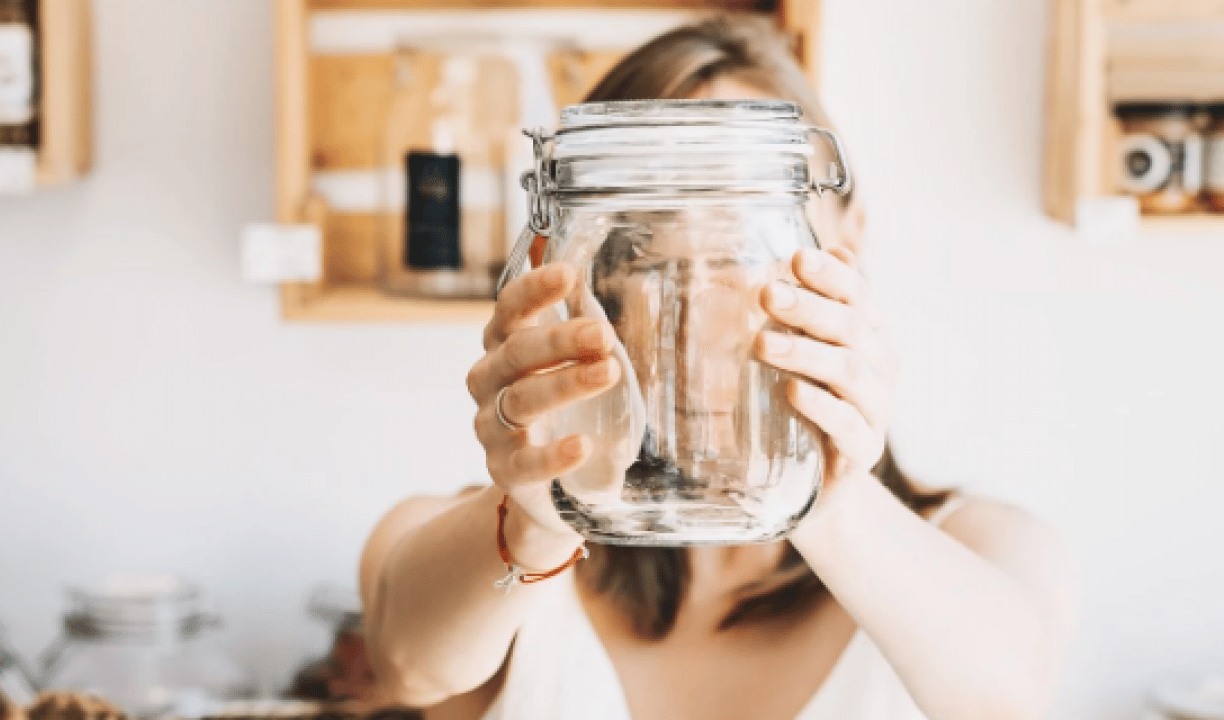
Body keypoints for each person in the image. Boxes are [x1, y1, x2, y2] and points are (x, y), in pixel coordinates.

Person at [359, 17, 1078, 720]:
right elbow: (410, 665)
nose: (701, 322)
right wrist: (535, 521)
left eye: (746, 263)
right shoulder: (493, 543)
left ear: (846, 244)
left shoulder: (990, 548)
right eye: (649, 263)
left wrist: (818, 490)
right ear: (577, 276)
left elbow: (1007, 698)